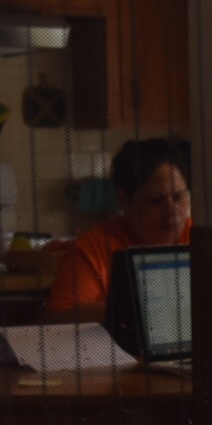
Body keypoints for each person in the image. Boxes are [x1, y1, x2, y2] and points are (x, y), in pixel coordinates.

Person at [45, 137, 192, 322]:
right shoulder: (94, 249)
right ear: (123, 200)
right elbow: (58, 318)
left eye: (179, 197)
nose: (172, 212)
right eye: (155, 201)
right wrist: (138, 310)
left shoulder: (202, 238)